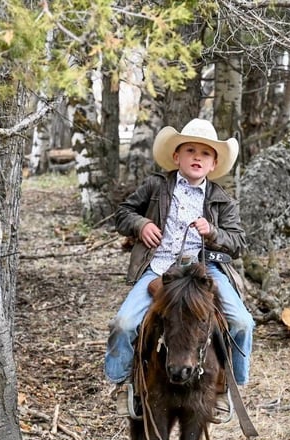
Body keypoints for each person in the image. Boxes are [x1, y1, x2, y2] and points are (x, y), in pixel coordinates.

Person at [104, 118, 255, 421]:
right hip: (159, 266)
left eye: (205, 153)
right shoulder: (156, 186)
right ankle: (122, 383)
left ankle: (228, 385)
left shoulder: (221, 200)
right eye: (190, 151)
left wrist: (213, 232)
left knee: (242, 322)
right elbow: (123, 213)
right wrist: (141, 224)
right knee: (124, 323)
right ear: (177, 157)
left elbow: (238, 242)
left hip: (204, 271)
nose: (197, 157)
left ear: (213, 163)